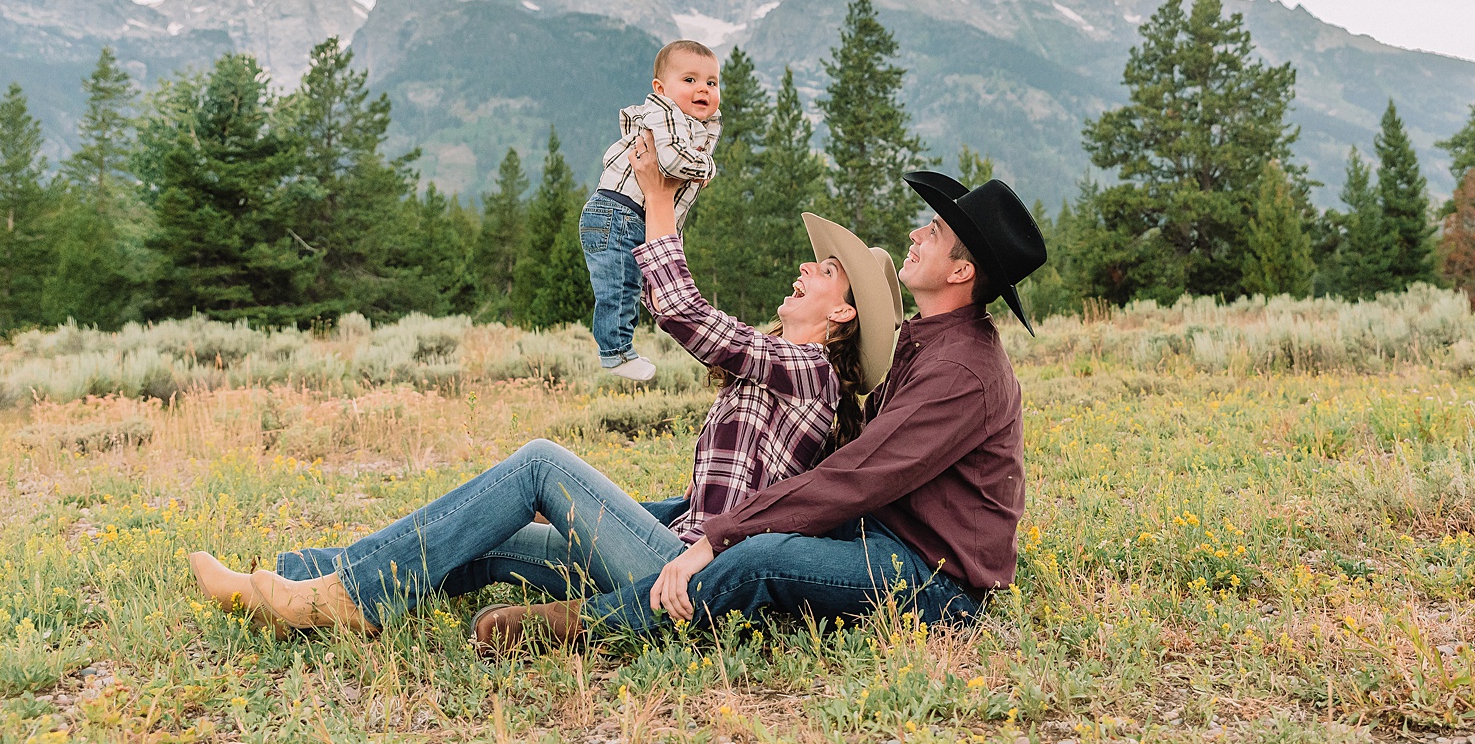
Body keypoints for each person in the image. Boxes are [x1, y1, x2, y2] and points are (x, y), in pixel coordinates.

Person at [186, 128, 902, 642]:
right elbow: (708, 494)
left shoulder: (811, 373)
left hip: (681, 578)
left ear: (842, 314)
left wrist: (657, 197)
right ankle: (292, 582)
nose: (805, 269)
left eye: (825, 271)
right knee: (484, 534)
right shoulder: (781, 367)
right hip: (670, 550)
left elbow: (685, 313)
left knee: (538, 463)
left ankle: (339, 600)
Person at [475, 166, 1050, 649]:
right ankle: (460, 562)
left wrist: (718, 538)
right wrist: (707, 524)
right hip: (875, 534)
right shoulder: (932, 345)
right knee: (708, 526)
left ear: (961, 271)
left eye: (936, 230)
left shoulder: (961, 371)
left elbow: (859, 474)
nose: (917, 232)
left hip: (931, 579)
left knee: (759, 556)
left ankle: (590, 625)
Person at [585, 38, 722, 381]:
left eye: (711, 82)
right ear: (661, 89)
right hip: (619, 212)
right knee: (619, 286)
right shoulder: (665, 114)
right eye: (689, 80)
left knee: (637, 285)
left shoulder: (691, 124)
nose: (703, 89)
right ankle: (616, 353)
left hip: (632, 215)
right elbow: (673, 161)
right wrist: (707, 167)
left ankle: (625, 348)